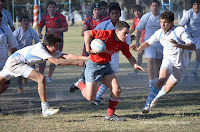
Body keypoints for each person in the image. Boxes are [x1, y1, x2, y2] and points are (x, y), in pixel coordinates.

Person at [0, 33, 88, 117]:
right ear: (49, 45)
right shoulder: (40, 49)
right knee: (40, 78)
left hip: (12, 61)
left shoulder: (49, 49)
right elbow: (56, 62)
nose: (57, 49)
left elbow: (67, 56)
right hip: (16, 63)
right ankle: (45, 109)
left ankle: (45, 109)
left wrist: (87, 58)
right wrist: (76, 63)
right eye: (56, 46)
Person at [71, 21, 145, 121]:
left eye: (128, 33)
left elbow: (129, 56)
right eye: (125, 33)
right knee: (91, 98)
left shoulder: (122, 43)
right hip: (93, 66)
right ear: (117, 31)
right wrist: (88, 49)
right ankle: (80, 83)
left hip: (105, 66)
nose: (127, 36)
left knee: (117, 89)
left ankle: (110, 115)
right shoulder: (106, 34)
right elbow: (87, 33)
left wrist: (135, 65)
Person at [131, 11, 195, 114]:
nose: (162, 25)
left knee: (168, 88)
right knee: (161, 79)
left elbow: (192, 46)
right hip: (168, 60)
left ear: (171, 23)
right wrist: (139, 48)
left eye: (165, 22)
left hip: (181, 65)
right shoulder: (159, 32)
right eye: (161, 22)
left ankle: (155, 99)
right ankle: (147, 104)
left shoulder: (180, 31)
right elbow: (148, 42)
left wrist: (179, 45)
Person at [89, 3, 132, 106]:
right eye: (112, 13)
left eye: (117, 13)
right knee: (102, 76)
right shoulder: (104, 25)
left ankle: (96, 96)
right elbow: (92, 35)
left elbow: (127, 42)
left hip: (114, 55)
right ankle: (92, 93)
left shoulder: (123, 27)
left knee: (110, 76)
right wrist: (95, 47)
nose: (115, 15)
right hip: (103, 54)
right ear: (109, 14)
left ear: (120, 14)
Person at [38, 1, 68, 83]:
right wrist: (39, 33)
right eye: (50, 7)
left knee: (55, 58)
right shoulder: (45, 17)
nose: (52, 9)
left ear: (56, 8)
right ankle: (40, 76)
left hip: (58, 41)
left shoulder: (60, 17)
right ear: (47, 8)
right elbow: (40, 26)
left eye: (53, 7)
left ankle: (49, 76)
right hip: (47, 40)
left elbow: (66, 28)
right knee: (42, 57)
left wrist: (55, 30)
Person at [136, 0, 163, 88]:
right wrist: (137, 41)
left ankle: (156, 80)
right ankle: (151, 82)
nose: (154, 8)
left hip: (160, 43)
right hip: (149, 42)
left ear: (159, 7)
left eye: (156, 6)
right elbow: (139, 29)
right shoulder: (146, 17)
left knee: (158, 63)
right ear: (150, 7)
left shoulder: (162, 16)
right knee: (150, 60)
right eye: (153, 6)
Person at [13, 15, 41, 94]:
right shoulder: (17, 32)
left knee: (30, 70)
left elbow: (37, 42)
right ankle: (20, 87)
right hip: (18, 54)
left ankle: (25, 78)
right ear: (20, 22)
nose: (25, 22)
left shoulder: (32, 31)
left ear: (29, 22)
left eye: (27, 21)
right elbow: (12, 43)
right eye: (24, 21)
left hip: (29, 54)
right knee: (18, 72)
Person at [0, 12, 18, 115]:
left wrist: (17, 61)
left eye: (0, 20)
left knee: (4, 86)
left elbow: (13, 47)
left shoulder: (6, 29)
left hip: (4, 64)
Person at [179, 0, 200, 81]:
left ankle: (194, 71)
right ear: (192, 6)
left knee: (199, 55)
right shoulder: (188, 13)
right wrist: (186, 34)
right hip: (189, 37)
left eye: (198, 4)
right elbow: (181, 25)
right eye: (195, 4)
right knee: (188, 57)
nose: (197, 6)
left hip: (198, 37)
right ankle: (185, 73)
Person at [128, 4, 145, 77]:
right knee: (140, 54)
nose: (137, 13)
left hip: (147, 40)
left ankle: (135, 71)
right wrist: (126, 34)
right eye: (135, 11)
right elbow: (132, 29)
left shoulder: (145, 18)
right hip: (141, 41)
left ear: (141, 12)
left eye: (138, 11)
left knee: (141, 54)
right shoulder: (135, 19)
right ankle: (135, 71)